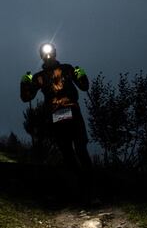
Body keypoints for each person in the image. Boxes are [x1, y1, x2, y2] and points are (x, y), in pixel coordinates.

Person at [20, 43, 93, 188]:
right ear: (42, 56)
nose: (48, 55)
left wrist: (81, 73)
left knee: (80, 149)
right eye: (45, 53)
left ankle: (90, 187)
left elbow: (84, 86)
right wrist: (24, 83)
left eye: (50, 52)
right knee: (68, 152)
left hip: (70, 111)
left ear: (54, 53)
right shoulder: (39, 77)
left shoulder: (67, 68)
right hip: (59, 114)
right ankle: (83, 186)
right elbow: (26, 97)